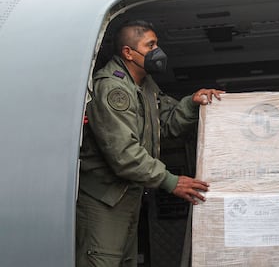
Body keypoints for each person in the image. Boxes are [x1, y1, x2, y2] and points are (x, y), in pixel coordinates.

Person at [76, 20, 224, 267]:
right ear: (128, 53)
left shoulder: (145, 86)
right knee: (103, 260)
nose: (158, 51)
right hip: (103, 200)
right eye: (151, 45)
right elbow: (124, 154)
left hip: (126, 197)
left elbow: (165, 124)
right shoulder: (113, 88)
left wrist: (192, 103)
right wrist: (170, 181)